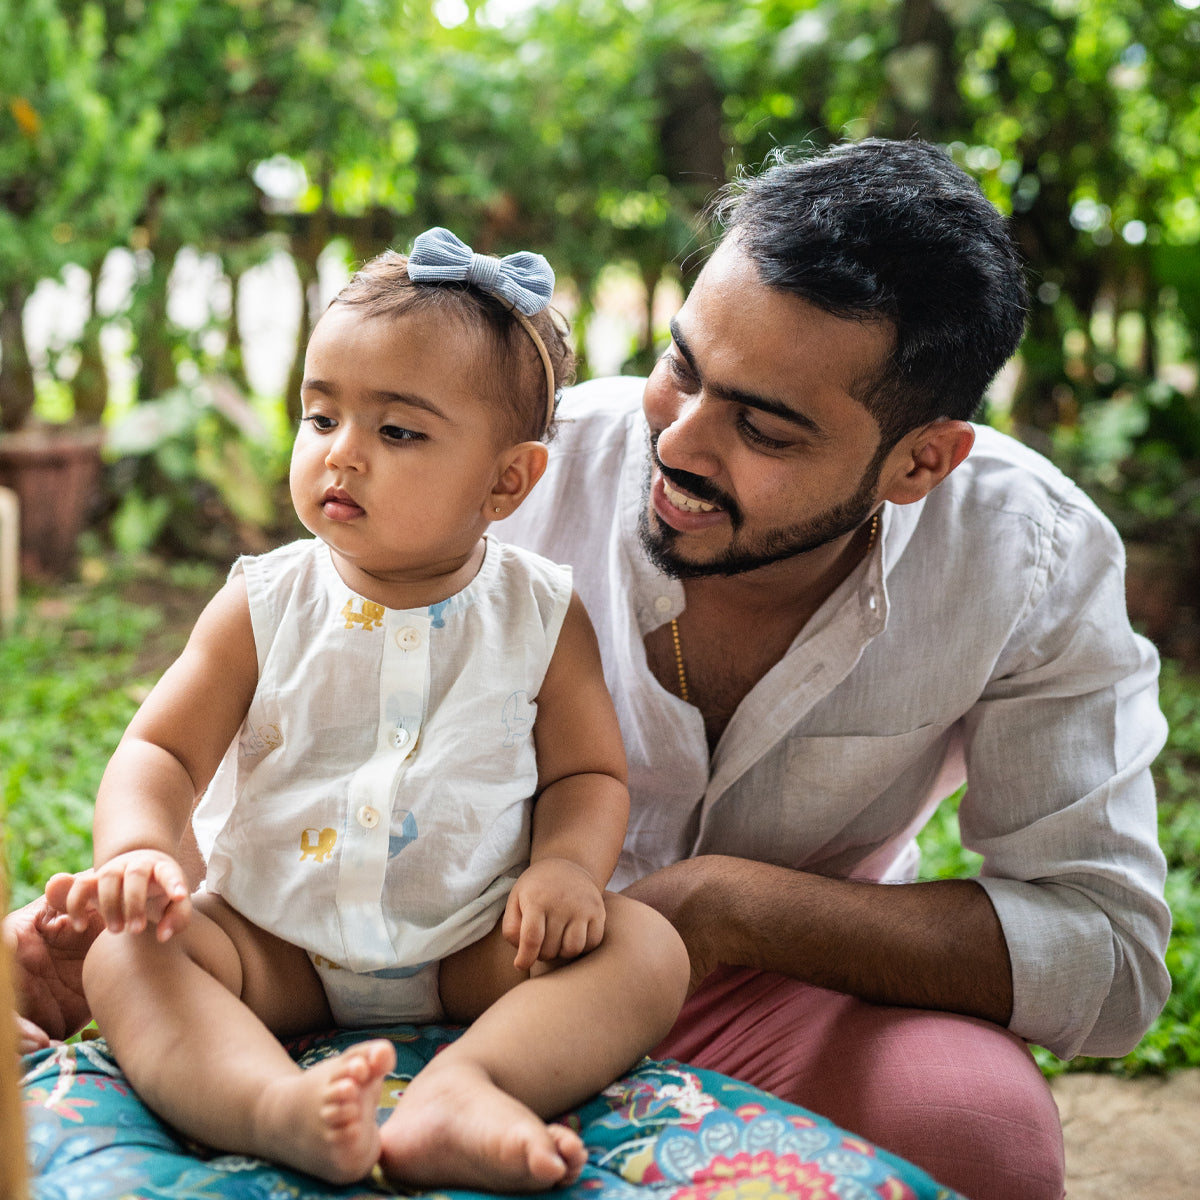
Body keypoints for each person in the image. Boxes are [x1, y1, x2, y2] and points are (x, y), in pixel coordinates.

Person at [11, 138, 1171, 1200]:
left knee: (983, 1133)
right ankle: (277, 1105)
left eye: (763, 429)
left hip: (586, 970)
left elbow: (1108, 961)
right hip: (302, 925)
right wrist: (139, 878)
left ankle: (476, 1090)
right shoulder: (499, 456)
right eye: (683, 364)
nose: (675, 442)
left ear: (922, 460)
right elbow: (201, 747)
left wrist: (725, 911)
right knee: (79, 962)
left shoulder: (1028, 564)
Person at [30, 228, 690, 1192]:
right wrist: (137, 847)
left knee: (647, 950)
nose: (342, 454)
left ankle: (468, 1086)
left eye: (398, 431)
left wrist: (566, 871)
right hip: (268, 944)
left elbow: (587, 773)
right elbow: (162, 751)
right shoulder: (264, 602)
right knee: (130, 957)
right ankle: (271, 1106)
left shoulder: (543, 612)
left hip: (472, 946)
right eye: (320, 417)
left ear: (506, 481)